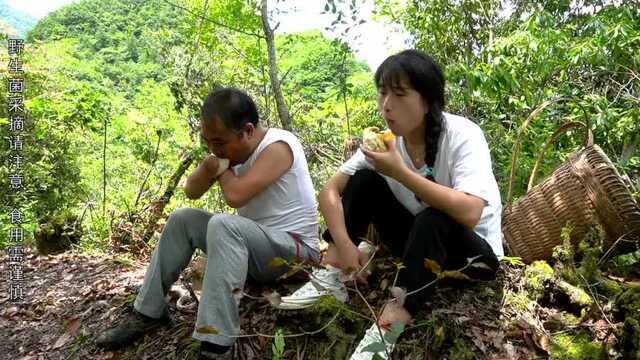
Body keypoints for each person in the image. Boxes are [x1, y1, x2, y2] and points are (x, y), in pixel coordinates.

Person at [279, 49, 503, 359]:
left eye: (399, 94)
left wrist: (400, 172)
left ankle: (388, 328)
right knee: (364, 181)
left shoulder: (463, 135)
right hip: (418, 247)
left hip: (471, 256)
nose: (386, 105)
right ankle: (331, 275)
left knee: (434, 217)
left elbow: (470, 212)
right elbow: (329, 191)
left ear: (427, 100)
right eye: (383, 92)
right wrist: (345, 245)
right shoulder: (385, 141)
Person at [96, 87, 320, 359]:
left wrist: (220, 170)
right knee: (182, 218)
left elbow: (236, 196)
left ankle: (216, 346)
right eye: (208, 142)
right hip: (255, 254)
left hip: (295, 255)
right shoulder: (231, 154)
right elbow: (191, 190)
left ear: (248, 130)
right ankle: (147, 311)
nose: (214, 149)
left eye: (220, 142)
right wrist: (209, 166)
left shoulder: (280, 145)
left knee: (224, 224)